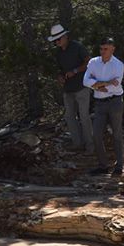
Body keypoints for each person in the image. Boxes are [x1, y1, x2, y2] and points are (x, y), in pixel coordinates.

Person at [83, 37, 124, 176]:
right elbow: (85, 81)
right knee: (96, 134)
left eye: (106, 49)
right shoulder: (93, 62)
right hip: (99, 103)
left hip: (115, 102)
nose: (103, 52)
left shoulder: (118, 65)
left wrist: (96, 84)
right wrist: (105, 83)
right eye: (101, 49)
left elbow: (116, 85)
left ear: (113, 49)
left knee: (117, 134)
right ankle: (103, 165)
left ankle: (119, 166)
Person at [49, 24, 93, 153]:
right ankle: (77, 143)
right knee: (69, 117)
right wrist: (59, 76)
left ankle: (90, 145)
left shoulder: (77, 47)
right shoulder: (58, 53)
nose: (57, 42)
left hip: (81, 87)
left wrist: (75, 71)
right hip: (68, 89)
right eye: (55, 40)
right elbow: (58, 69)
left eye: (58, 39)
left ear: (65, 36)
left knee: (84, 117)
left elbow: (89, 62)